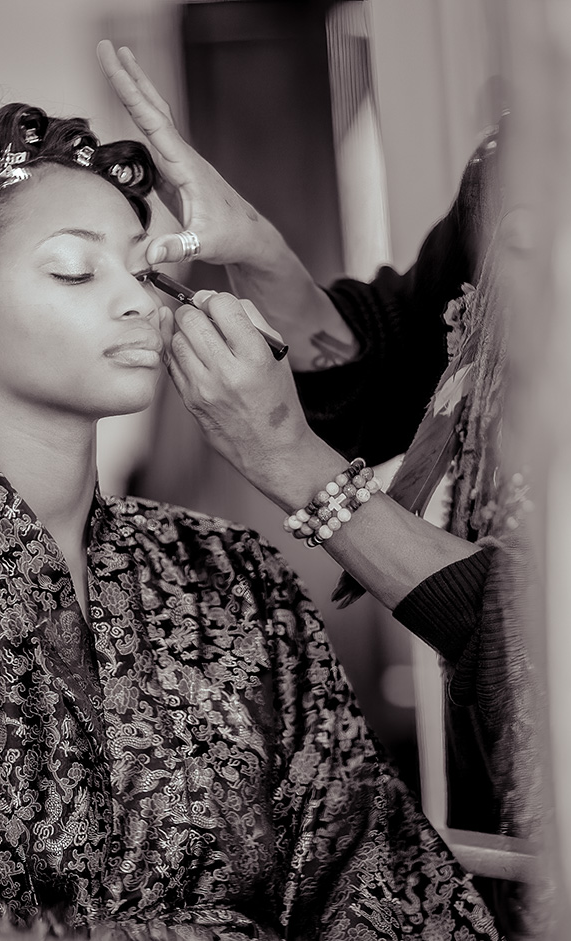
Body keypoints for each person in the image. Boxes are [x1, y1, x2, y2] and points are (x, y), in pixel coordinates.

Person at [0, 102, 519, 941]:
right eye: (73, 271)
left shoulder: (236, 575)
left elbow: (373, 875)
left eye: (142, 269)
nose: (138, 300)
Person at [95, 44, 544, 858]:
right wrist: (258, 248)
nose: (127, 302)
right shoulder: (514, 162)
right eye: (70, 271)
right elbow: (401, 361)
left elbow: (548, 636)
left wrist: (286, 460)